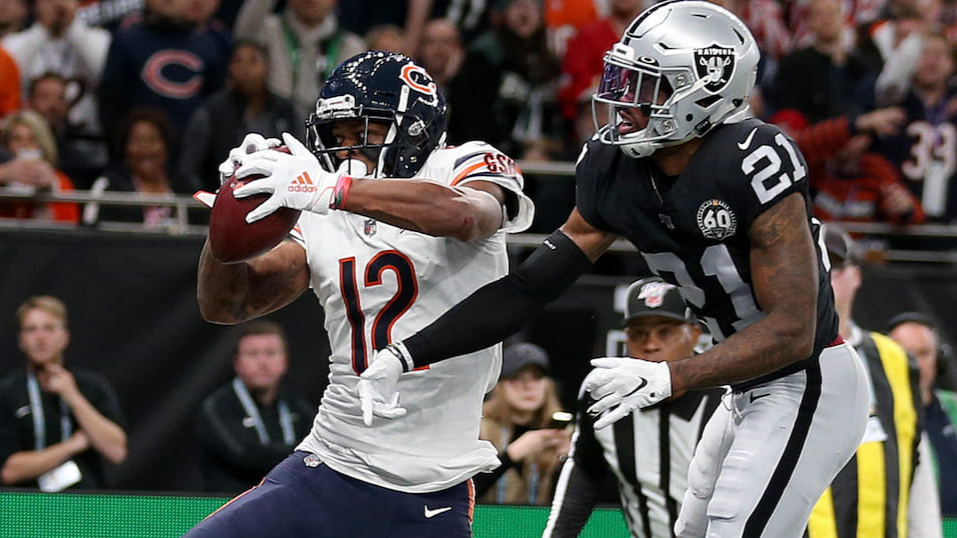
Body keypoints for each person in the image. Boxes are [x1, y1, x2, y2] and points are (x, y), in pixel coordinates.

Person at [358, 3, 871, 537]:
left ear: (705, 90)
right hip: (742, 389)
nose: (623, 101)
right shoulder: (614, 166)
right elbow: (530, 286)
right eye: (623, 79)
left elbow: (793, 330)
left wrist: (672, 376)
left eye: (646, 86)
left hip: (808, 379)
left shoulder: (750, 157)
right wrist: (408, 352)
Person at [186, 50, 533, 537]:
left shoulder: (462, 164)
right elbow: (227, 303)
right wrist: (232, 211)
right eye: (336, 136)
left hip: (431, 483)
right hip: (329, 463)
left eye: (362, 133)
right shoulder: (322, 201)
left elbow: (465, 216)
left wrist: (329, 188)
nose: (346, 149)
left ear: (413, 128)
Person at [544, 276, 725, 538]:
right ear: (626, 338)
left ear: (695, 333)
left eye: (666, 332)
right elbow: (586, 469)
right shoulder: (603, 391)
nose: (651, 344)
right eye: (639, 333)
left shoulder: (728, 394)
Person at [810, 225, 940, 538]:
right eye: (813, 265)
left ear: (856, 276)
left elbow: (915, 461)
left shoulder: (895, 359)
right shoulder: (767, 359)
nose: (823, 276)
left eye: (835, 267)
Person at [0, 296, 127, 490]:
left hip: (85, 504)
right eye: (31, 329)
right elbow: (9, 471)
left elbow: (116, 451)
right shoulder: (8, 392)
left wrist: (72, 396)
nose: (40, 337)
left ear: (64, 336)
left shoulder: (91, 386)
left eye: (49, 328)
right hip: (25, 508)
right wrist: (75, 443)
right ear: (21, 340)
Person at [196, 320, 314, 495]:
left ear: (285, 361)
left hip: (285, 505)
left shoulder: (296, 406)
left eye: (271, 353)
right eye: (253, 354)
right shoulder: (217, 407)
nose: (263, 362)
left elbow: (319, 451)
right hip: (230, 509)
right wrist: (300, 456)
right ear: (237, 363)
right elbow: (245, 456)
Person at [178, 41, 301, 193]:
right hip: (224, 199)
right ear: (229, 68)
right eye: (238, 61)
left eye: (253, 61)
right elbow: (189, 171)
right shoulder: (212, 112)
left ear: (268, 67)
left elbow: (301, 160)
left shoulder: (286, 111)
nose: (245, 69)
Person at [475, 342, 570, 506]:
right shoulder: (478, 427)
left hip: (537, 526)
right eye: (516, 378)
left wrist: (567, 461)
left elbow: (575, 501)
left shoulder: (561, 432)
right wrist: (511, 455)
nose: (528, 386)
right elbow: (466, 491)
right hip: (485, 523)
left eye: (537, 377)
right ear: (500, 384)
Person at [233, 0, 365, 112]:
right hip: (271, 118)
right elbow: (244, 33)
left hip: (325, 123)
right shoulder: (269, 29)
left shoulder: (350, 45)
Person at [888, 312, 957, 515]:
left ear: (939, 359)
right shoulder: (875, 417)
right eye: (906, 353)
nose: (915, 364)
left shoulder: (952, 407)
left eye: (923, 353)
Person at [0, 110, 80, 223]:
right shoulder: (2, 177)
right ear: (6, 145)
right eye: (16, 139)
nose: (24, 145)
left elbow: (65, 232)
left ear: (43, 144)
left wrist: (43, 200)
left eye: (32, 139)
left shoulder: (60, 182)